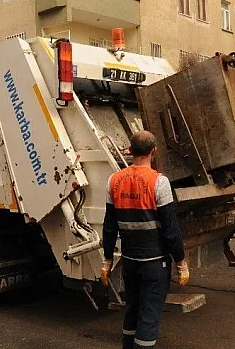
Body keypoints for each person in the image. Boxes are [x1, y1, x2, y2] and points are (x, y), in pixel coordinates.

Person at [100, 130, 189, 349]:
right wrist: (181, 263)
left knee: (132, 310)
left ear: (130, 151)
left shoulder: (114, 180)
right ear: (154, 152)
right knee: (149, 316)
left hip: (129, 262)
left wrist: (107, 261)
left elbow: (109, 226)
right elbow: (170, 229)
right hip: (155, 263)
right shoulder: (159, 182)